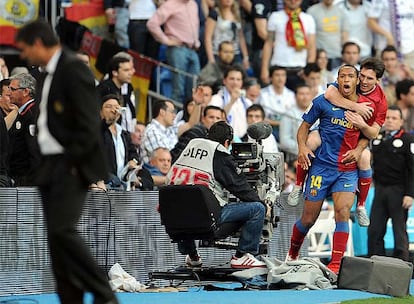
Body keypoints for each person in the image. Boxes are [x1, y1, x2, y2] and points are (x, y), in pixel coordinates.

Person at [15, 19, 118, 304]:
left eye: (25, 49)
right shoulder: (46, 74)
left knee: (64, 230)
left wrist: (77, 161)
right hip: (49, 165)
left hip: (72, 163)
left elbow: (87, 121)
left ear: (38, 43)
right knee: (55, 240)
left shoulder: (73, 68)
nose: (23, 56)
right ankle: (70, 298)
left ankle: (104, 293)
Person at [286, 64, 369, 274]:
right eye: (342, 76)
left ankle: (335, 264)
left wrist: (359, 150)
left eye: (351, 76)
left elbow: (370, 134)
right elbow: (303, 128)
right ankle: (292, 254)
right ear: (337, 80)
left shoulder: (365, 106)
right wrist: (302, 147)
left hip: (347, 170)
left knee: (342, 213)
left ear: (357, 80)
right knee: (308, 219)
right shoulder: (322, 101)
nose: (346, 79)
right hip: (321, 169)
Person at [288, 58, 388, 227]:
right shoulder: (349, 80)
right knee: (311, 141)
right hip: (329, 131)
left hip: (357, 137)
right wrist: (356, 107)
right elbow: (329, 94)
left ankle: (361, 205)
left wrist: (362, 125)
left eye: (369, 79)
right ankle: (298, 185)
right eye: (362, 76)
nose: (363, 81)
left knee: (364, 157)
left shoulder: (380, 101)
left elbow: (373, 132)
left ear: (378, 81)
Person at [166, 121, 267, 269]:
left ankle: (193, 256)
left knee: (183, 202)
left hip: (175, 220)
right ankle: (242, 255)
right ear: (227, 142)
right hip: (207, 218)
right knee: (257, 208)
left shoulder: (191, 146)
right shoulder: (219, 153)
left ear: (208, 136)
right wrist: (263, 203)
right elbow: (239, 187)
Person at [368, 105, 414, 261]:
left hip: (399, 191)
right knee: (374, 230)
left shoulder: (408, 140)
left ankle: (402, 267)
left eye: (394, 118)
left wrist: (410, 194)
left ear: (401, 121)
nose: (390, 121)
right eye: (387, 118)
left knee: (399, 231)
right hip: (380, 190)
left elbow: (413, 169)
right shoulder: (377, 139)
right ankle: (375, 263)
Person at [147, 0, 200, 104]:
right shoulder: (170, 4)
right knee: (178, 89)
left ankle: (189, 118)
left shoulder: (193, 4)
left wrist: (196, 42)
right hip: (177, 49)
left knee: (194, 90)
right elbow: (152, 23)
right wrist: (166, 41)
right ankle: (173, 118)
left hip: (193, 49)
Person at [100, 94, 153, 190]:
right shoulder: (98, 131)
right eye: (109, 107)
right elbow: (103, 125)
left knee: (146, 176)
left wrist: (133, 161)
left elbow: (133, 152)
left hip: (124, 176)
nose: (113, 110)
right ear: (100, 111)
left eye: (116, 107)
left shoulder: (124, 134)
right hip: (107, 177)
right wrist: (109, 120)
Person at [261, 0, 316, 90]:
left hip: (300, 70)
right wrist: (264, 69)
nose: (293, 1)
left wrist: (308, 71)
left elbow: (312, 47)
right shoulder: (275, 16)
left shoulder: (308, 19)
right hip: (278, 68)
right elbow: (268, 44)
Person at [8, 73, 41, 186]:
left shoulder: (32, 114)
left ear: (26, 92)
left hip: (26, 180)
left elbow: (34, 150)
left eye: (13, 89)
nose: (9, 92)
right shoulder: (23, 112)